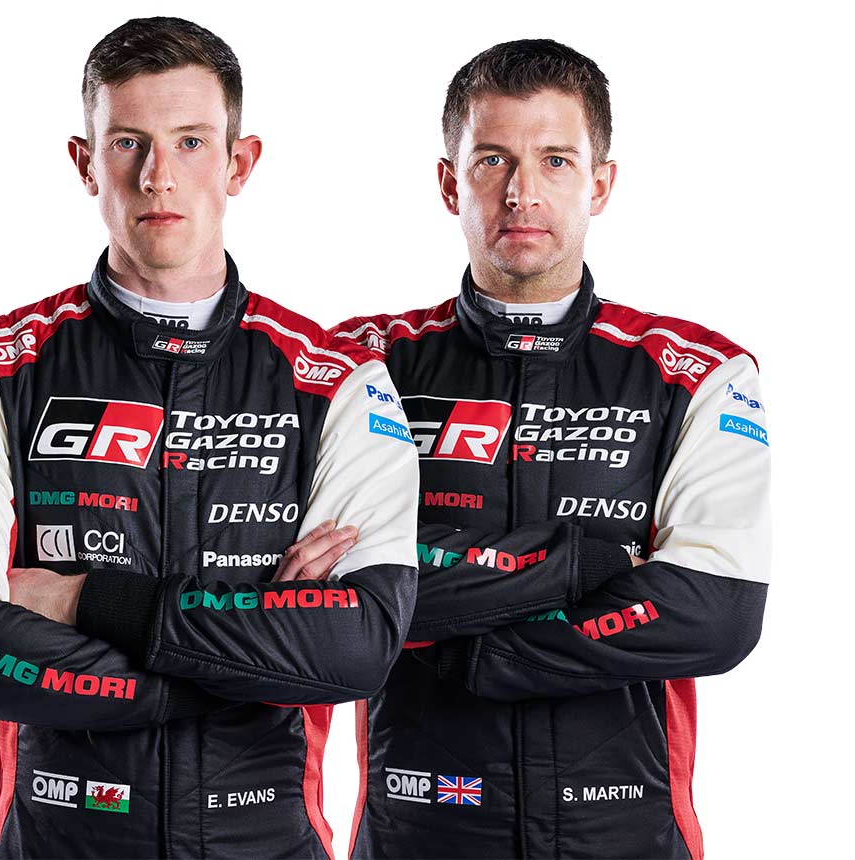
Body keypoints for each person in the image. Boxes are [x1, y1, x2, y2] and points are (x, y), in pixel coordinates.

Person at [0, 17, 418, 860]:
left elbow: (357, 649)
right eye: (128, 144)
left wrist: (79, 602)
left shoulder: (339, 382)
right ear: (85, 162)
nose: (158, 176)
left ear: (239, 163)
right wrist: (254, 663)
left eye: (189, 142)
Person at [329, 39, 770, 860]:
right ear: (449, 182)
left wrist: (474, 651)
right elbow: (326, 590)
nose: (521, 192)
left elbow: (718, 613)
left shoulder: (697, 373)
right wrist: (594, 567)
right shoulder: (363, 364)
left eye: (556, 160)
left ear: (600, 183)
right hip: (415, 828)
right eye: (492, 159)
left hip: (629, 835)